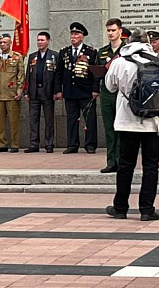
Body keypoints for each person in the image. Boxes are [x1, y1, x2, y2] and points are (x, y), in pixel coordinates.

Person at [104, 28, 159, 221]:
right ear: (148, 43)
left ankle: (120, 208)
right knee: (151, 166)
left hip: (127, 122)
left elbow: (109, 87)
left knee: (126, 165)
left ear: (129, 42)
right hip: (153, 123)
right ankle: (147, 209)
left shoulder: (119, 62)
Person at [54, 22, 99, 154]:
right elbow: (59, 72)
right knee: (72, 119)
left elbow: (95, 73)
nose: (73, 37)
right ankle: (72, 144)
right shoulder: (64, 52)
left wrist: (95, 89)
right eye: (72, 34)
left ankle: (90, 144)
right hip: (70, 91)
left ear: (82, 37)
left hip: (86, 91)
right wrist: (58, 90)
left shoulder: (90, 52)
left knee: (90, 119)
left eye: (76, 34)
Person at [0, 33, 24, 153]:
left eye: (5, 42)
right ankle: (1, 143)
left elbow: (20, 75)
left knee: (13, 121)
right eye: (1, 43)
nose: (2, 45)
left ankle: (15, 144)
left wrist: (19, 90)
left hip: (11, 93)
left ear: (10, 43)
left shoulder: (17, 57)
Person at [97, 18, 124, 172]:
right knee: (109, 129)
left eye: (113, 30)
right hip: (107, 93)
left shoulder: (126, 50)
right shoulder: (102, 52)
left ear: (120, 31)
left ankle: (121, 161)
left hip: (122, 93)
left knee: (121, 128)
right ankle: (111, 161)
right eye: (108, 30)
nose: (110, 33)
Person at [25, 32, 56, 153]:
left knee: (49, 120)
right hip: (34, 92)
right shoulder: (32, 56)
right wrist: (27, 92)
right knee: (33, 119)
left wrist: (57, 91)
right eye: (38, 40)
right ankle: (34, 144)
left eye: (42, 40)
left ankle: (49, 144)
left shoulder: (54, 55)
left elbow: (57, 75)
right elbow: (28, 75)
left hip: (47, 92)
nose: (40, 42)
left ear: (48, 41)